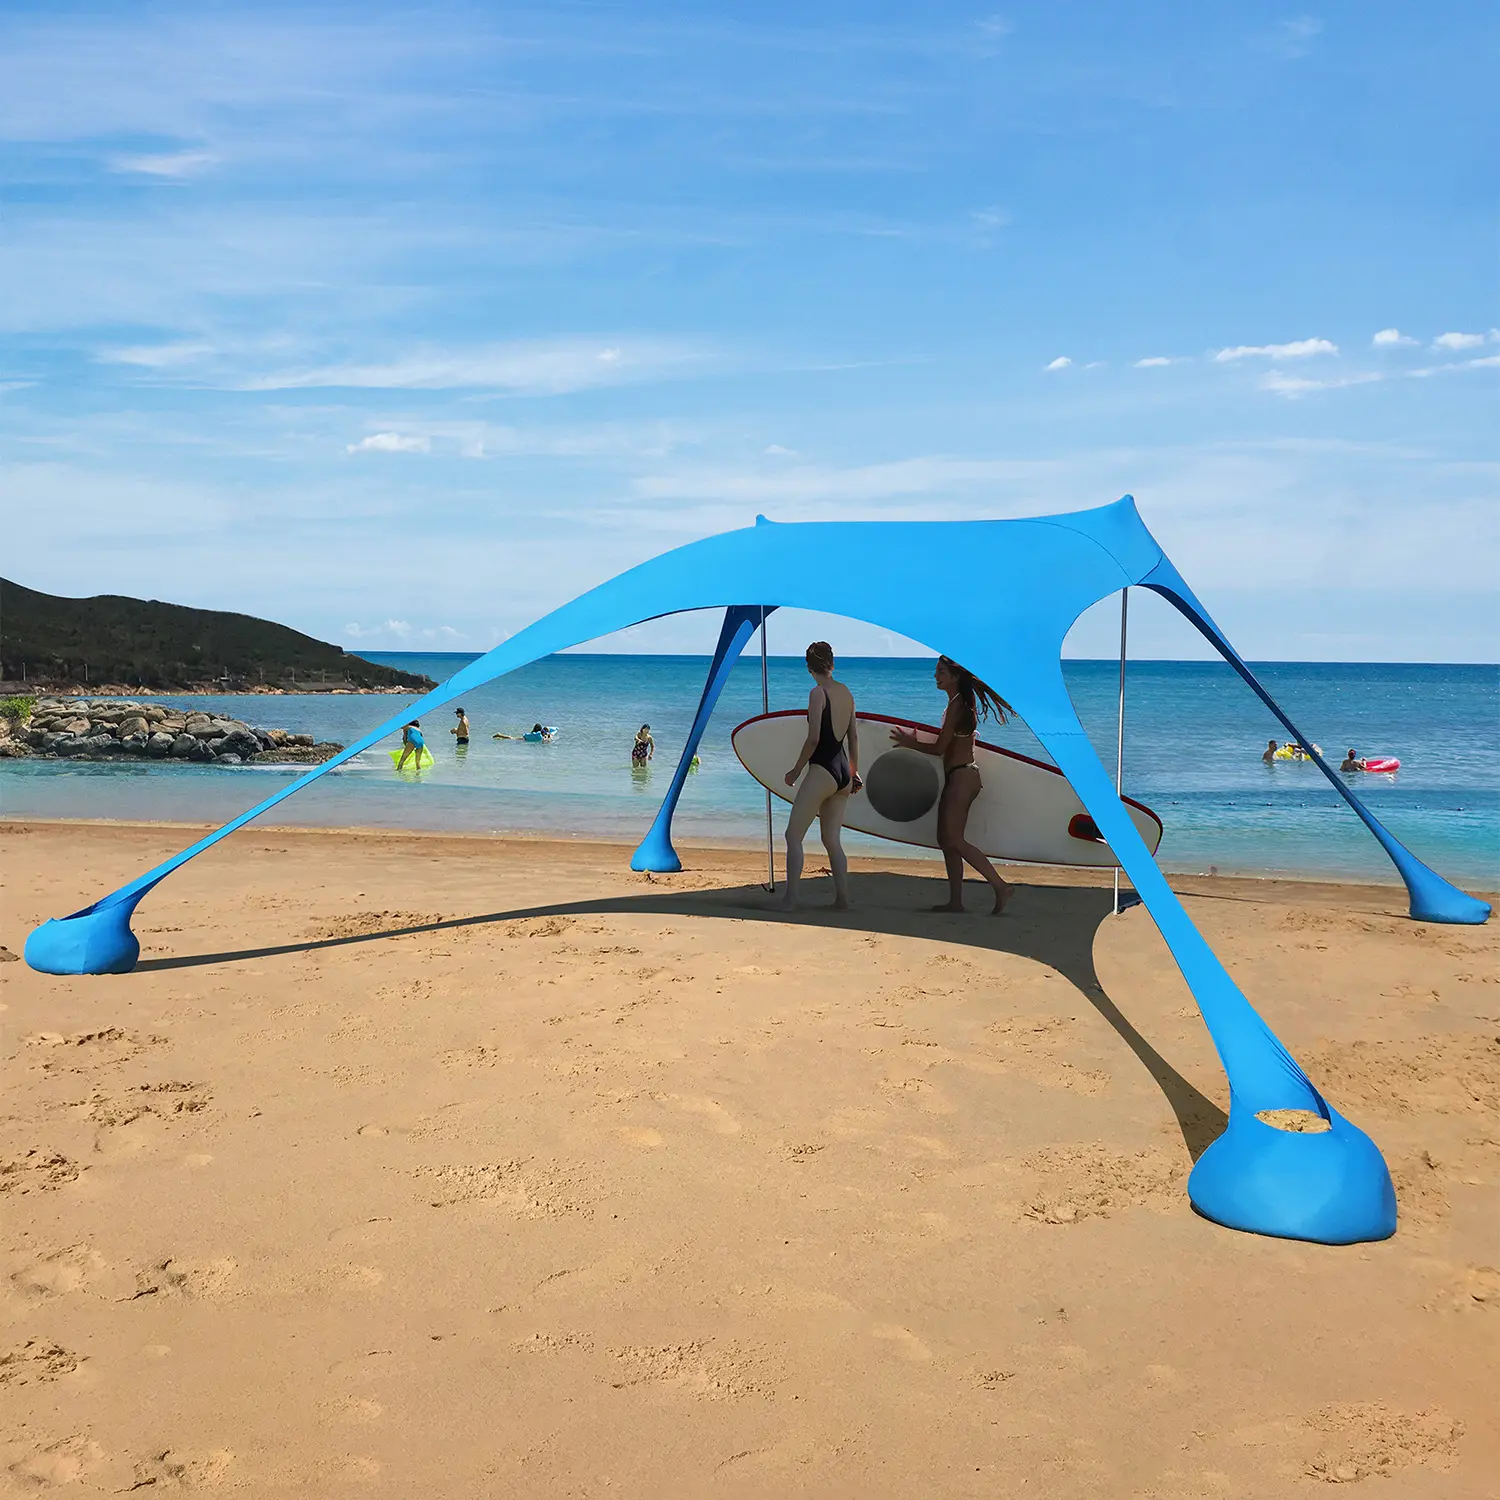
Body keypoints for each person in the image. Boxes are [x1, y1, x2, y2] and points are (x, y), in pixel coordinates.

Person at [890, 655, 1015, 915]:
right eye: (936, 671)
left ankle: (1000, 886)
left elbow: (938, 748)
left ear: (955, 676)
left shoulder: (958, 706)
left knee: (954, 839)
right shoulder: (957, 703)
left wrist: (910, 743)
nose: (936, 676)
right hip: (959, 776)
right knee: (946, 840)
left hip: (962, 776)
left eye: (941, 672)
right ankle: (956, 901)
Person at [779, 641, 860, 912]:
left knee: (793, 836)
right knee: (832, 840)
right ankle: (842, 899)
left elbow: (814, 739)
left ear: (808, 667)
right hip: (843, 774)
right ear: (832, 663)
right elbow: (854, 737)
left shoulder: (817, 693)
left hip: (823, 769)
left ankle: (791, 899)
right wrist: (854, 771)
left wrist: (795, 769)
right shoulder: (846, 692)